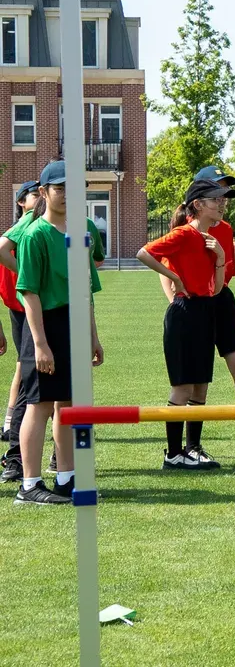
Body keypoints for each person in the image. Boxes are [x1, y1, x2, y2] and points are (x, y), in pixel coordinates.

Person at [10, 162, 105, 504]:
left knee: (68, 404)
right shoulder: (35, 234)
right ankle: (30, 485)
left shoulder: (81, 232)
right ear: (45, 192)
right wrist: (40, 344)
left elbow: (85, 291)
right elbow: (29, 291)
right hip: (46, 325)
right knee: (39, 405)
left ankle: (66, 478)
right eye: (59, 188)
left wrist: (93, 336)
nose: (66, 194)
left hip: (75, 324)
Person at [159, 165, 235, 459]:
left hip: (219, 302)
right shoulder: (184, 227)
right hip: (193, 305)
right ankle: (185, 449)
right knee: (193, 381)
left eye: (224, 191)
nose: (222, 198)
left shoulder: (225, 229)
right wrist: (175, 299)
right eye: (216, 189)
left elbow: (224, 273)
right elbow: (165, 265)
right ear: (200, 195)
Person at [138, 179, 235, 470]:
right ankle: (173, 453)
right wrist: (176, 280)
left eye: (223, 199)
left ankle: (192, 449)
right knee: (182, 387)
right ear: (198, 205)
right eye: (216, 199)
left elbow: (216, 289)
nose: (222, 204)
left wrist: (219, 256)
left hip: (205, 310)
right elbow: (144, 253)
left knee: (201, 387)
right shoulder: (183, 234)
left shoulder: (210, 239)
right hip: (184, 314)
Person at [0, 183, 35, 454]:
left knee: (22, 368)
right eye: (34, 195)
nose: (40, 199)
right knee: (24, 368)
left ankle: (11, 423)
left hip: (32, 307)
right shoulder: (17, 232)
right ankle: (12, 425)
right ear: (21, 202)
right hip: (21, 309)